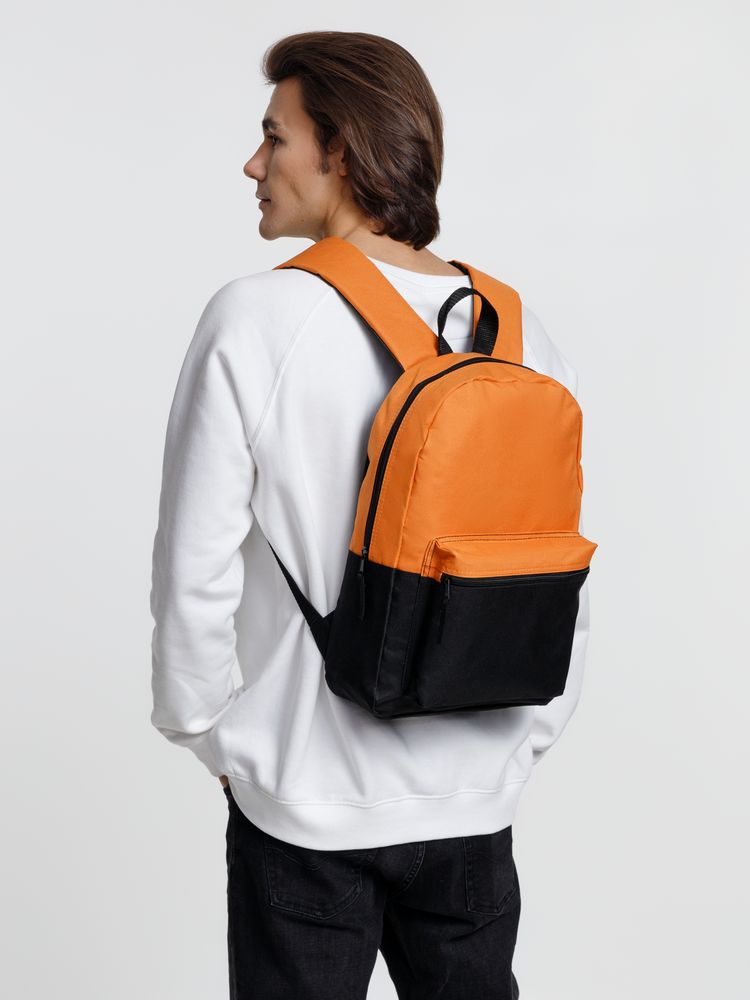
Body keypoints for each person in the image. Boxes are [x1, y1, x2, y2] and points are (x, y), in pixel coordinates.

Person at [149, 30, 591, 1000]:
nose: (254, 164)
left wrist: (211, 737)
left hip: (308, 804)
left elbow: (193, 571)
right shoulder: (521, 334)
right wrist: (517, 746)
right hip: (475, 807)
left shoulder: (254, 319)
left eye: (275, 136)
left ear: (340, 150)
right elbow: (557, 569)